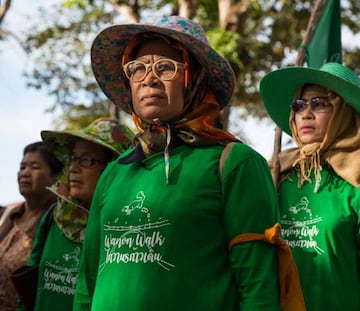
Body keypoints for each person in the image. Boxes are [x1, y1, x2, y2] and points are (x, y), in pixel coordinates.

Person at [73, 16, 282, 310]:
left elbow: (259, 288)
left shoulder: (235, 163)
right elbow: (88, 282)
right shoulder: (115, 170)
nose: (149, 78)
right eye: (138, 68)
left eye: (165, 67)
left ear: (194, 79)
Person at [260, 62, 360, 311]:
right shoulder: (274, 175)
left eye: (319, 103)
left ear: (345, 113)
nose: (306, 113)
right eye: (299, 105)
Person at [18, 118, 134, 311]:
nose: (73, 168)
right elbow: (27, 291)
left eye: (86, 160)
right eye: (73, 158)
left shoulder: (125, 229)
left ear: (115, 166)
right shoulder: (55, 218)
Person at [0, 142, 63, 311]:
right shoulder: (7, 215)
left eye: (34, 167)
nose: (24, 173)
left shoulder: (59, 223)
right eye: (22, 167)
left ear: (56, 176)